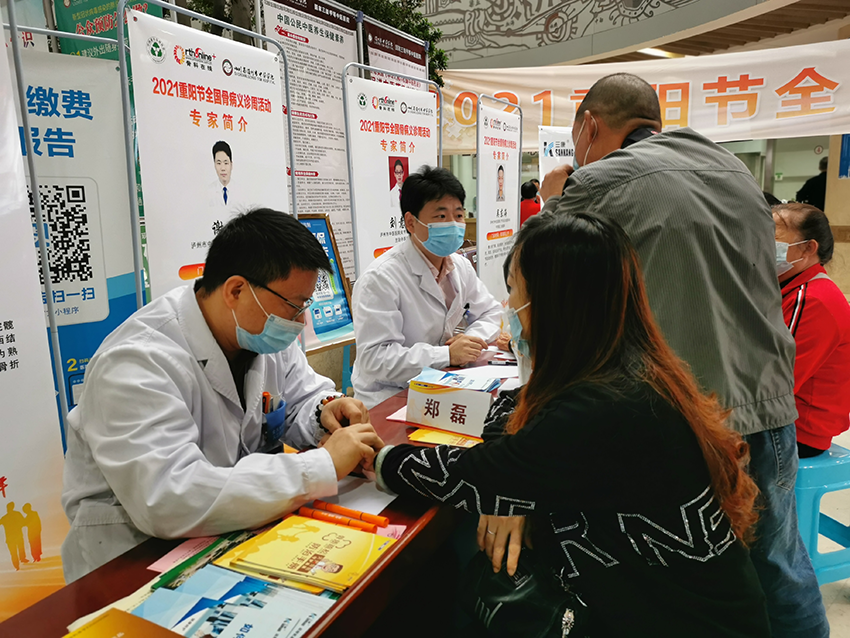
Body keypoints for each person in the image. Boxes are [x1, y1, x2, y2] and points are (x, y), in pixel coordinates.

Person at [375, 213, 770, 637]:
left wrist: (377, 458)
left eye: (514, 292)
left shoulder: (603, 407)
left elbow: (479, 474)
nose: (509, 309)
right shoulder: (624, 371)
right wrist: (515, 490)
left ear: (555, 304)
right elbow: (515, 415)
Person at [538, 73, 826, 637]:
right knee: (780, 567)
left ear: (590, 126)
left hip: (688, 419)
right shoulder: (733, 169)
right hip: (769, 404)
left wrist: (553, 199)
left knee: (680, 582)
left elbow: (536, 274)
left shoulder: (599, 180)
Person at [61, 209, 384, 583]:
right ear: (236, 290)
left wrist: (326, 410)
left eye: (305, 306)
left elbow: (300, 396)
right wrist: (322, 466)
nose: (301, 322)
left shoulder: (259, 333)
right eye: (294, 305)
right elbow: (168, 497)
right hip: (132, 557)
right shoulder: (138, 360)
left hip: (230, 535)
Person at [352, 166, 503, 408]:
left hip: (441, 385)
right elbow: (375, 358)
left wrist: (471, 340)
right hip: (390, 397)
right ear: (411, 222)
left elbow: (491, 312)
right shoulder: (380, 278)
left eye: (459, 215)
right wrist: (446, 355)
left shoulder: (460, 266)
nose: (453, 224)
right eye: (441, 217)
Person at [774, 202, 850, 457]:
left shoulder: (812, 300)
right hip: (786, 418)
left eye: (773, 237)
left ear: (808, 248)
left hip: (797, 431)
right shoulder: (791, 287)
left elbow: (777, 382)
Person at [0, 503, 27, 571]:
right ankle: (22, 558)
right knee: (21, 548)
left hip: (10, 538)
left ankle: (16, 566)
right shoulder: (17, 514)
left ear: (7, 508)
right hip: (18, 535)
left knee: (13, 553)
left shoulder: (4, 517)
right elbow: (24, 523)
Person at [210, 140, 234, 209]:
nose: (223, 168)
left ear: (231, 164)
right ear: (214, 165)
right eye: (219, 163)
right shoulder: (208, 192)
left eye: (226, 163)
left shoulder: (241, 192)